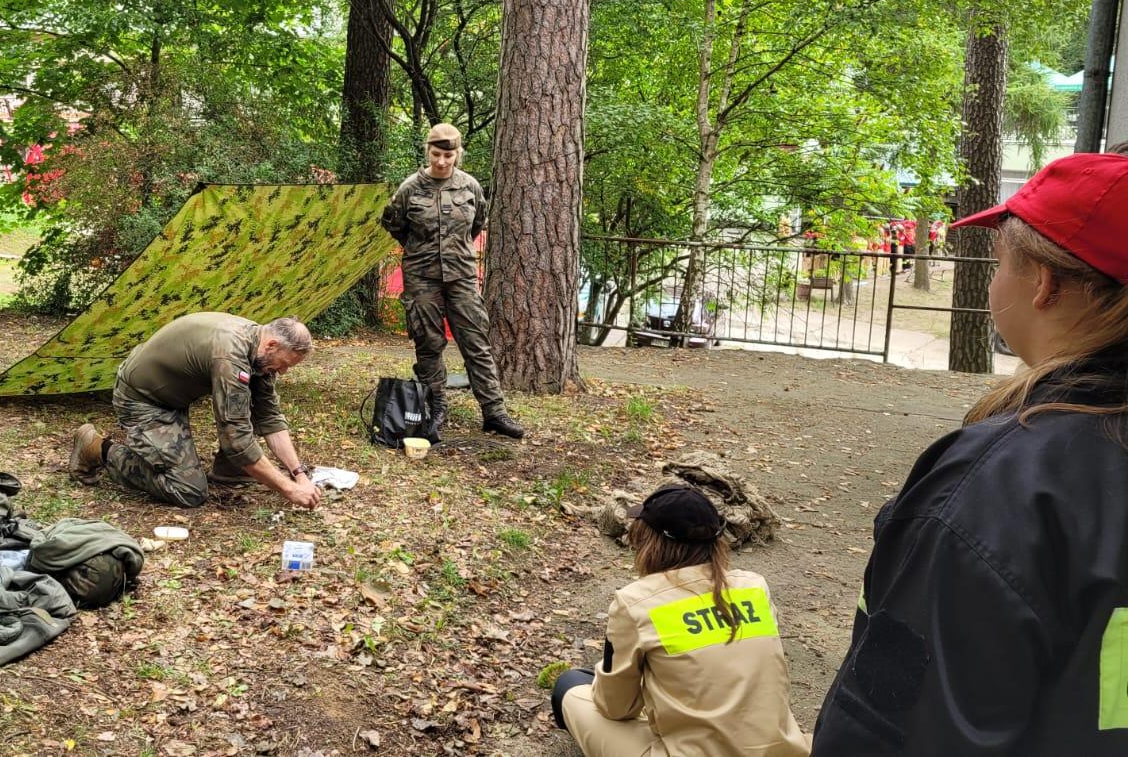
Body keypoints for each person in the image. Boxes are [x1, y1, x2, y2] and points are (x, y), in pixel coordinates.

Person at [811, 152, 1128, 754]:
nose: (993, 282)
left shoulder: (1000, 489)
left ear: (1044, 284)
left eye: (1000, 263)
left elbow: (901, 732)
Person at [552, 485, 809, 757]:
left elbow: (616, 708)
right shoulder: (755, 587)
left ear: (649, 540)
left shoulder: (636, 602)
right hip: (780, 751)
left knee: (570, 685)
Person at [69, 313, 322, 510]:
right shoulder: (230, 354)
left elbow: (268, 416)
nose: (283, 372)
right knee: (188, 491)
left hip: (171, 394)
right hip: (142, 399)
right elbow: (235, 439)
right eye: (284, 364)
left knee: (249, 403)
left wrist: (298, 474)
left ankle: (229, 471)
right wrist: (289, 489)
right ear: (272, 344)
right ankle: (97, 449)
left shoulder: (259, 348)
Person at [380, 123, 524, 439]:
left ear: (458, 153)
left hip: (461, 277)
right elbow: (395, 225)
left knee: (476, 343)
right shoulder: (409, 189)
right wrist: (422, 250)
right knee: (428, 344)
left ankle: (494, 412)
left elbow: (477, 224)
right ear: (427, 151)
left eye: (449, 155)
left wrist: (454, 249)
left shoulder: (470, 187)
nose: (442, 161)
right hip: (422, 278)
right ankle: (435, 408)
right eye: (436, 154)